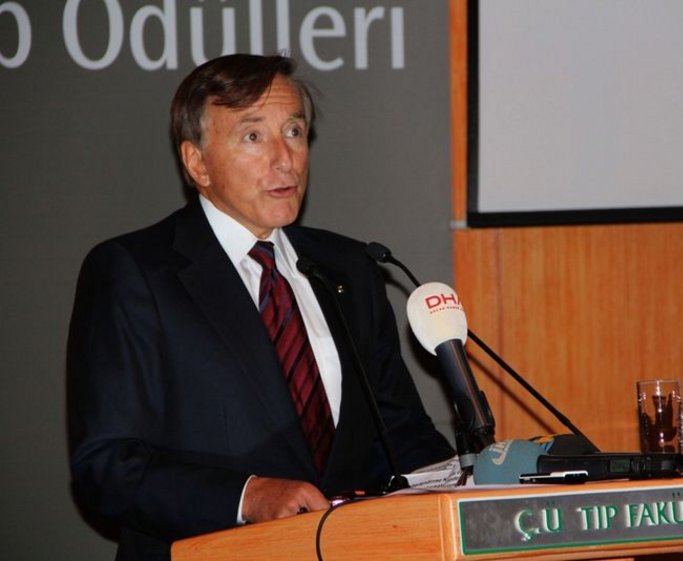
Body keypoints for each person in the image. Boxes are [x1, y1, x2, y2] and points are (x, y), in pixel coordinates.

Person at [67, 53, 454, 561]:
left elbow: (399, 434)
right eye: (253, 136)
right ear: (197, 163)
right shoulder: (136, 272)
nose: (284, 159)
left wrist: (471, 482)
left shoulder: (350, 268)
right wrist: (246, 497)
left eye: (294, 131)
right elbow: (107, 466)